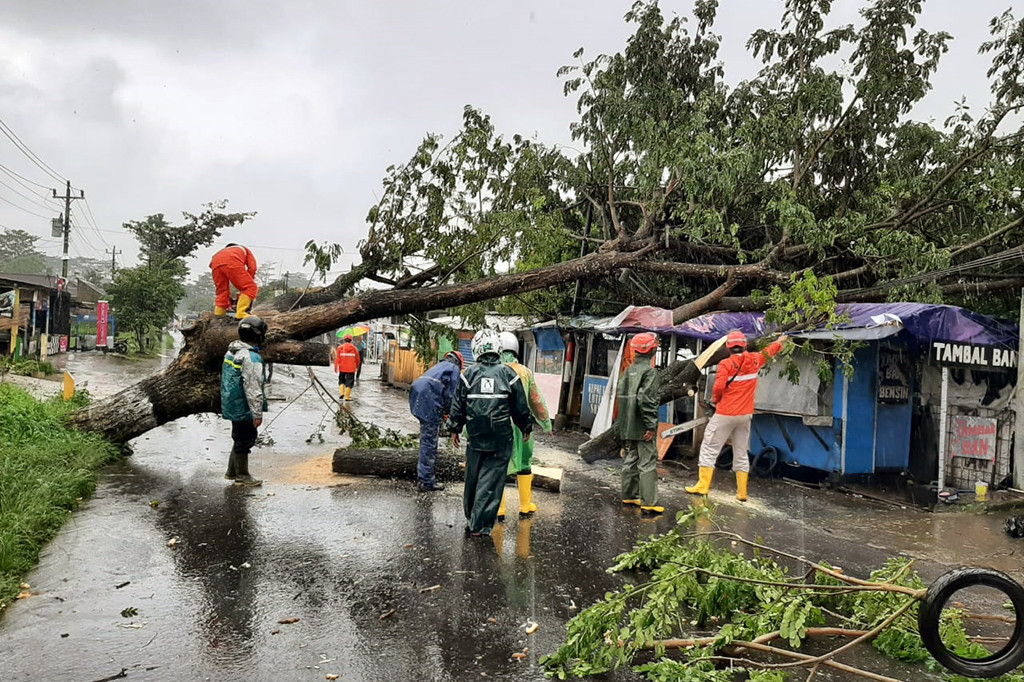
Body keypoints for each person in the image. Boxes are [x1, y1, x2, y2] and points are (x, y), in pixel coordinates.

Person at [447, 330, 533, 537]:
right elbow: (520, 405)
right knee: (491, 481)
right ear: (498, 348)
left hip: (475, 436)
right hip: (501, 438)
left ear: (476, 349)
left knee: (473, 477)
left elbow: (458, 404)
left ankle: (472, 518)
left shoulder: (468, 375)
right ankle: (479, 524)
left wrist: (454, 428)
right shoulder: (509, 374)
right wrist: (526, 426)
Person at [687, 330, 789, 501]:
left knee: (709, 448)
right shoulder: (755, 359)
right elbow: (770, 351)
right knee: (741, 452)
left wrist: (715, 399)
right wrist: (780, 341)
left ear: (728, 347)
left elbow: (719, 387)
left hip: (725, 413)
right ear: (744, 345)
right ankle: (742, 493)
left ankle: (703, 486)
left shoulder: (726, 364)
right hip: (745, 415)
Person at [496, 331, 552, 520]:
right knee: (524, 463)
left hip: (499, 425)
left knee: (499, 465)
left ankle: (499, 509)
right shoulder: (525, 372)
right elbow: (536, 400)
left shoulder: (492, 370)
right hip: (522, 426)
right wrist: (546, 423)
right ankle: (525, 506)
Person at [615, 332, 663, 514]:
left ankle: (629, 495)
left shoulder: (628, 372)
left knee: (631, 457)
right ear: (651, 350)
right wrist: (650, 425)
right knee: (647, 461)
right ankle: (649, 502)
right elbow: (646, 399)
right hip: (642, 425)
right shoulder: (650, 372)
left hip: (628, 424)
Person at [221, 315, 269, 486]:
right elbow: (253, 387)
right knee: (246, 439)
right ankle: (242, 475)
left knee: (238, 437)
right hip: (244, 406)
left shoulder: (232, 351)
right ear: (258, 335)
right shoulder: (251, 357)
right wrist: (257, 413)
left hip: (232, 404)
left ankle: (231, 471)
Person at [409, 350, 465, 492]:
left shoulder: (440, 366)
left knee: (427, 437)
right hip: (428, 398)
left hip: (417, 395)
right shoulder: (454, 369)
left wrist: (445, 413)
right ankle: (426, 481)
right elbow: (452, 396)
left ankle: (424, 474)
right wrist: (451, 416)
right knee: (429, 441)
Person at [210, 243, 259, 319]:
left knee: (222, 292)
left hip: (215, 264)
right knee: (250, 287)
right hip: (232, 261)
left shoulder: (221, 252)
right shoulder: (245, 250)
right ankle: (241, 313)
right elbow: (252, 267)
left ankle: (219, 315)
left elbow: (212, 265)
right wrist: (246, 282)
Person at [334, 333, 361, 401]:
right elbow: (357, 359)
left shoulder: (340, 348)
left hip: (342, 367)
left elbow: (337, 358)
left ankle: (342, 393)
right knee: (350, 381)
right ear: (351, 340)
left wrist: (336, 367)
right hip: (351, 368)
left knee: (341, 380)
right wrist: (357, 366)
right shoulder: (354, 348)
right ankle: (347, 397)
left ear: (344, 340)